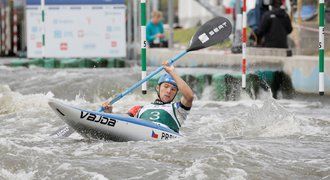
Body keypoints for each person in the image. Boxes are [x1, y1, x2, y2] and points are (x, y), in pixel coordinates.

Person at [102, 62, 194, 133]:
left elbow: (189, 96)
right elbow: (122, 121)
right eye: (166, 87)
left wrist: (171, 72)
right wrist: (109, 113)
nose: (169, 91)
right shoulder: (139, 108)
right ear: (158, 88)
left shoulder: (178, 109)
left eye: (173, 89)